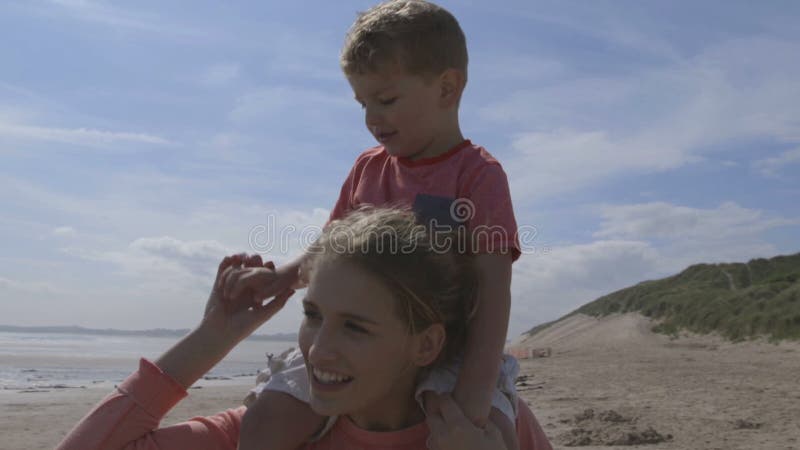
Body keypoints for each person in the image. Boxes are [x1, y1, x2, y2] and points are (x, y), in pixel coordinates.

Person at [230, 2, 524, 450]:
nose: (371, 118)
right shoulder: (367, 169)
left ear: (447, 87)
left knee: (490, 438)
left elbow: (493, 292)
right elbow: (329, 249)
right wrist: (282, 277)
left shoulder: (477, 175)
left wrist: (474, 393)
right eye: (362, 103)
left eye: (386, 100)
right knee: (266, 422)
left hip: (449, 351)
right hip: (354, 348)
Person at [55, 208, 552, 450]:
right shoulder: (274, 431)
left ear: (425, 344)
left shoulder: (484, 432)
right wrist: (215, 336)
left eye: (355, 328)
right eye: (313, 316)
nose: (319, 351)